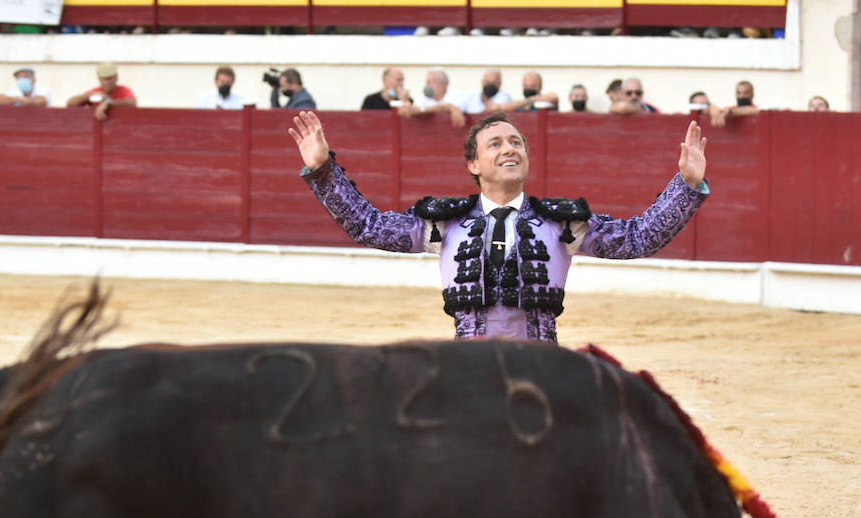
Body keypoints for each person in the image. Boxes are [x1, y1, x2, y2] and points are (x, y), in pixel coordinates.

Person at [289, 110, 710, 343]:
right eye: (496, 143)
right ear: (473, 164)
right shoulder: (444, 223)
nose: (509, 148)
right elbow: (369, 226)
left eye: (516, 143)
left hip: (542, 373)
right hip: (468, 373)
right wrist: (324, 171)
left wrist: (687, 185)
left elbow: (637, 238)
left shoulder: (562, 223)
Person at [67, 63, 137, 119]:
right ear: (99, 79)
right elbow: (70, 103)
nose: (107, 82)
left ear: (116, 78)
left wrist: (108, 103)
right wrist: (91, 95)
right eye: (104, 78)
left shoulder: (123, 90)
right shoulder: (95, 92)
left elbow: (132, 102)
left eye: (110, 78)